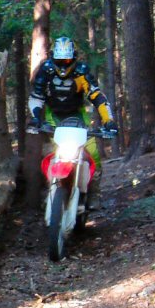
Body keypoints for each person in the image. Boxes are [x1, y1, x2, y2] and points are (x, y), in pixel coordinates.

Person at [28, 36, 117, 209]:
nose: (63, 65)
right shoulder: (46, 70)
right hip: (53, 117)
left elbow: (97, 96)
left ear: (73, 58)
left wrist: (109, 121)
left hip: (78, 116)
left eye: (67, 60)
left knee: (93, 155)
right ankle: (51, 189)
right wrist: (35, 119)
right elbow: (36, 96)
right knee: (50, 155)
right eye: (59, 60)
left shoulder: (81, 71)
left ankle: (94, 193)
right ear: (53, 57)